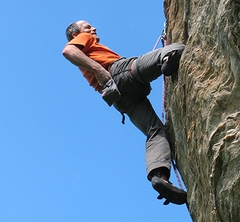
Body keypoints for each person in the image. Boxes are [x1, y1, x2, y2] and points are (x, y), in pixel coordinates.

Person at [62, 20, 187, 205]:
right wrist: (98, 69)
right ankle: (167, 60)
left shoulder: (89, 49)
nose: (93, 28)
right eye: (87, 27)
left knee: (155, 132)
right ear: (76, 34)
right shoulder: (84, 39)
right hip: (119, 73)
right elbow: (68, 51)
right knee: (177, 48)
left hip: (120, 98)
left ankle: (159, 176)